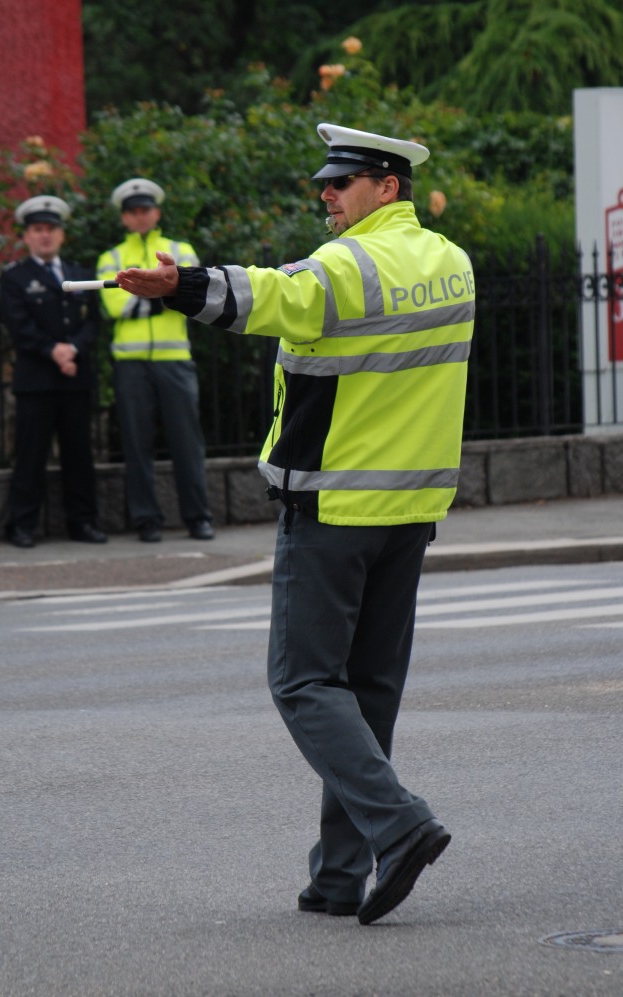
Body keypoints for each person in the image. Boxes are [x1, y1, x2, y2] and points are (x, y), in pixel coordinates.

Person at [116, 124, 476, 925]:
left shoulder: (345, 266)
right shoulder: (451, 264)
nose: (326, 193)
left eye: (342, 182)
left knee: (304, 682)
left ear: (387, 187)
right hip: (411, 510)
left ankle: (402, 824)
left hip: (334, 510)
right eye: (326, 181)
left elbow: (271, 297)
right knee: (368, 690)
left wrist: (180, 283)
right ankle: (340, 875)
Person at [96, 178, 214, 543]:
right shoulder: (110, 258)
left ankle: (198, 518)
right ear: (124, 218)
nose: (140, 215)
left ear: (156, 212)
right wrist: (165, 292)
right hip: (131, 364)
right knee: (136, 442)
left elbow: (193, 299)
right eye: (133, 211)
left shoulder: (181, 250)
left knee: (187, 442)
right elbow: (116, 307)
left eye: (145, 209)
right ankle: (146, 521)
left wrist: (152, 292)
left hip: (174, 359)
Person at [1, 195, 107, 548]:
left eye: (50, 230)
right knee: (31, 455)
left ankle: (83, 522)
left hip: (75, 378)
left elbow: (93, 321)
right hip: (36, 381)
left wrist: (73, 349)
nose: (44, 236)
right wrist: (54, 351)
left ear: (61, 235)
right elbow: (18, 326)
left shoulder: (80, 274)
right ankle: (22, 524)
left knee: (79, 455)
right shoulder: (15, 277)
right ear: (27, 236)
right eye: (37, 230)